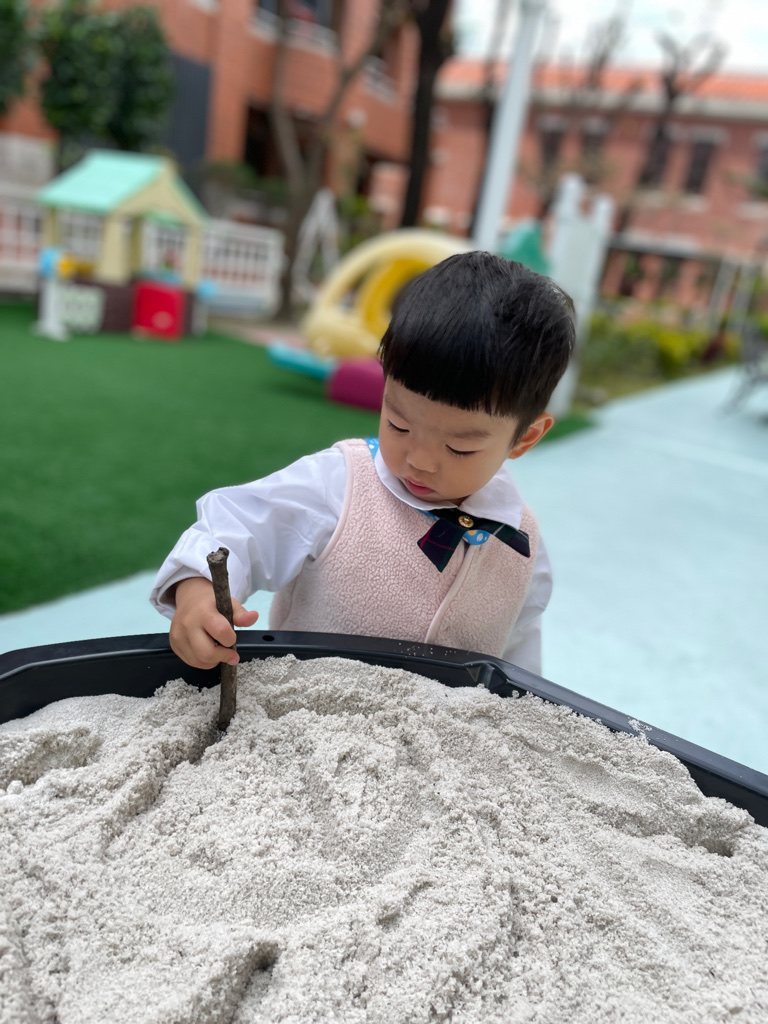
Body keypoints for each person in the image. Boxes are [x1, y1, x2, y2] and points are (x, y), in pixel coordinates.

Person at [150, 251, 575, 675]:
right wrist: (197, 590)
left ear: (526, 437)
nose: (419, 460)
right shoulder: (340, 485)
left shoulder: (524, 544)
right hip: (309, 705)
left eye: (459, 448)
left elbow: (517, 656)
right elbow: (238, 526)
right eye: (399, 424)